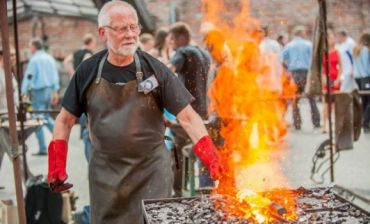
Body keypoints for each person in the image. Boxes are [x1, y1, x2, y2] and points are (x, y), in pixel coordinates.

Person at [47, 2, 223, 224]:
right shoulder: (88, 71)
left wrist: (210, 155)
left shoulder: (155, 69)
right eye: (121, 28)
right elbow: (64, 120)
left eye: (134, 27)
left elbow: (187, 117)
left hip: (151, 171)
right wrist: (56, 164)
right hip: (106, 174)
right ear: (103, 32)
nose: (130, 34)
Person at [167, 22, 214, 190]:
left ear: (181, 37)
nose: (170, 43)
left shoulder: (182, 52)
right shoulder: (202, 53)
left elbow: (167, 71)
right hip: (203, 110)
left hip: (187, 112)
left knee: (178, 151)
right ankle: (207, 189)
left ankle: (178, 190)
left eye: (172, 39)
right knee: (202, 148)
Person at [21, 39, 60, 155]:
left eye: (30, 46)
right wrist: (55, 91)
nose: (29, 49)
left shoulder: (34, 60)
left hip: (38, 91)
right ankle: (60, 137)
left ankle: (43, 147)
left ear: (34, 47)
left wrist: (23, 93)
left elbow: (29, 77)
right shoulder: (49, 58)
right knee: (45, 116)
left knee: (37, 119)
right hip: (49, 90)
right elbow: (55, 76)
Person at [282, 26, 321, 130]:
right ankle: (316, 121)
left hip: (294, 73)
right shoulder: (308, 45)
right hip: (306, 73)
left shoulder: (289, 46)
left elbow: (282, 59)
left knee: (295, 99)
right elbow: (315, 58)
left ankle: (297, 122)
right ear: (301, 33)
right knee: (311, 97)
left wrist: (288, 68)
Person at [0, 47, 18, 189]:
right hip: (3, 117)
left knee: (1, 151)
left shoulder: (9, 72)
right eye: (10, 54)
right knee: (15, 152)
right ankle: (29, 179)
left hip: (10, 115)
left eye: (14, 54)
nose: (13, 57)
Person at [322, 31, 341, 133]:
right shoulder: (323, 53)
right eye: (329, 38)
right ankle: (324, 125)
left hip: (335, 79)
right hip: (326, 79)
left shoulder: (337, 52)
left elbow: (341, 67)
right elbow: (321, 68)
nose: (331, 40)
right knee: (326, 104)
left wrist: (338, 79)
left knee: (335, 104)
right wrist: (323, 78)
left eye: (332, 38)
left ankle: (334, 124)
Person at [353, 33, 370, 133]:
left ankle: (365, 122)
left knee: (364, 101)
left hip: (358, 78)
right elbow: (366, 65)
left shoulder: (356, 49)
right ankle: (365, 121)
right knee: (368, 101)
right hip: (366, 77)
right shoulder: (364, 50)